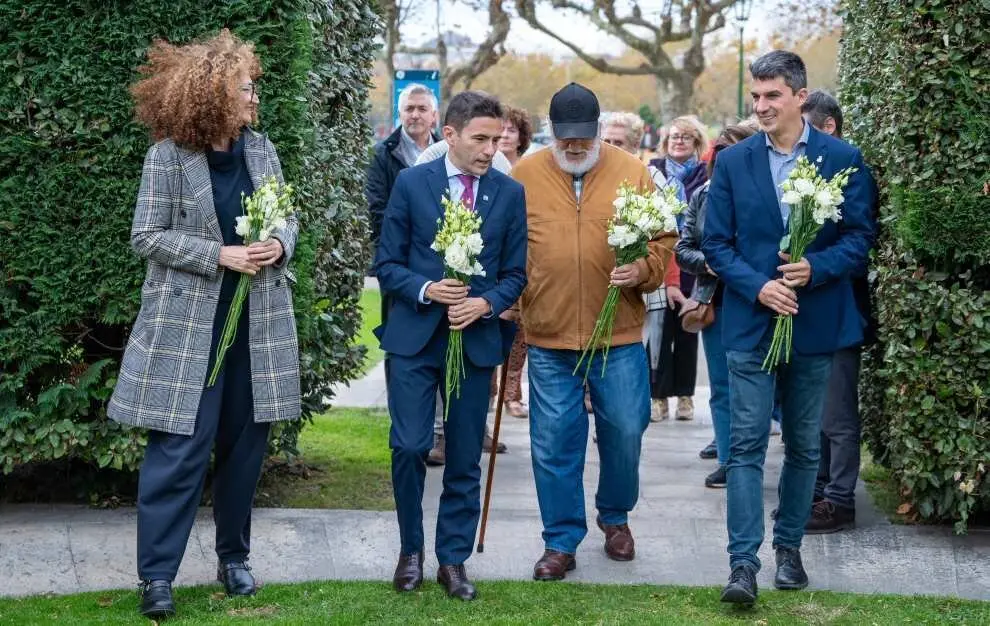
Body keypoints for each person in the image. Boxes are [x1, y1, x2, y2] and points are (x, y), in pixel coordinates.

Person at [108, 30, 300, 620]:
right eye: (246, 89)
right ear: (215, 93)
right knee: (179, 450)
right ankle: (157, 577)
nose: (254, 98)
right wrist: (217, 254)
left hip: (255, 327)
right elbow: (146, 236)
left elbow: (288, 214)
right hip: (187, 329)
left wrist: (276, 243)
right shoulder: (168, 155)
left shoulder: (261, 149)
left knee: (245, 447)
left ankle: (233, 558)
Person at [703, 50, 875, 605]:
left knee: (803, 446)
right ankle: (743, 565)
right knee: (747, 445)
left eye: (772, 95)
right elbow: (716, 244)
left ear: (801, 96)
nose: (761, 106)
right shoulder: (732, 163)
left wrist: (814, 269)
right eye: (756, 97)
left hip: (816, 322)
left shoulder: (842, 157)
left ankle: (789, 550)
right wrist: (759, 286)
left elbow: (859, 236)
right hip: (752, 323)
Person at [512, 83, 674, 581]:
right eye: (566, 138)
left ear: (599, 131)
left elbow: (663, 237)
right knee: (554, 440)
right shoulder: (524, 175)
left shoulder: (634, 172)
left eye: (584, 137)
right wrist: (515, 301)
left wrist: (644, 270)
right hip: (549, 333)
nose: (576, 146)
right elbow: (503, 243)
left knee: (626, 430)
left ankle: (615, 515)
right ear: (551, 132)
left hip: (619, 334)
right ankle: (560, 540)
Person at [375, 90, 527, 601]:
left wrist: (484, 304)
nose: (490, 149)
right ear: (451, 135)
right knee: (410, 445)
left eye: (497, 140)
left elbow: (515, 275)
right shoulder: (411, 185)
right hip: (414, 339)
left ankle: (453, 559)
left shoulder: (509, 194)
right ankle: (410, 550)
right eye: (481, 139)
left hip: (477, 340)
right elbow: (387, 264)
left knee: (464, 455)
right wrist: (426, 289)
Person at [801, 89, 876, 533]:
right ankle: (818, 490)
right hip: (803, 306)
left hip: (841, 307)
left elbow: (858, 240)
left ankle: (840, 500)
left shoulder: (849, 166)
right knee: (813, 415)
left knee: (838, 415)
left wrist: (815, 265)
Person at [675, 123, 758, 489]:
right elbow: (683, 248)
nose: (724, 158)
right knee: (723, 387)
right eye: (719, 151)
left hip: (757, 300)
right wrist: (709, 262)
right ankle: (729, 460)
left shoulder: (765, 193)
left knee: (754, 388)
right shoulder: (703, 195)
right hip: (716, 301)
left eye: (733, 151)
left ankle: (749, 459)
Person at [365, 84, 444, 462]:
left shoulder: (448, 151)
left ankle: (444, 430)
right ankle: (409, 427)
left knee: (448, 343)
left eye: (421, 108)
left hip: (446, 264)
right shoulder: (385, 155)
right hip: (400, 267)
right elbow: (377, 211)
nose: (414, 115)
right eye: (408, 108)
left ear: (434, 115)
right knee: (400, 342)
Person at [648, 115, 709, 421]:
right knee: (659, 333)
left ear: (697, 141)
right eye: (674, 136)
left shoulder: (703, 174)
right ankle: (657, 397)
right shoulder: (652, 171)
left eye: (686, 136)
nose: (679, 141)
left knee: (687, 331)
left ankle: (685, 396)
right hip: (659, 263)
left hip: (691, 265)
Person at [496, 105, 534, 419]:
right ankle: (492, 392)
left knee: (517, 333)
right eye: (502, 129)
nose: (506, 135)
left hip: (522, 259)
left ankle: (512, 394)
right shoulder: (487, 165)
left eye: (512, 130)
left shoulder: (529, 169)